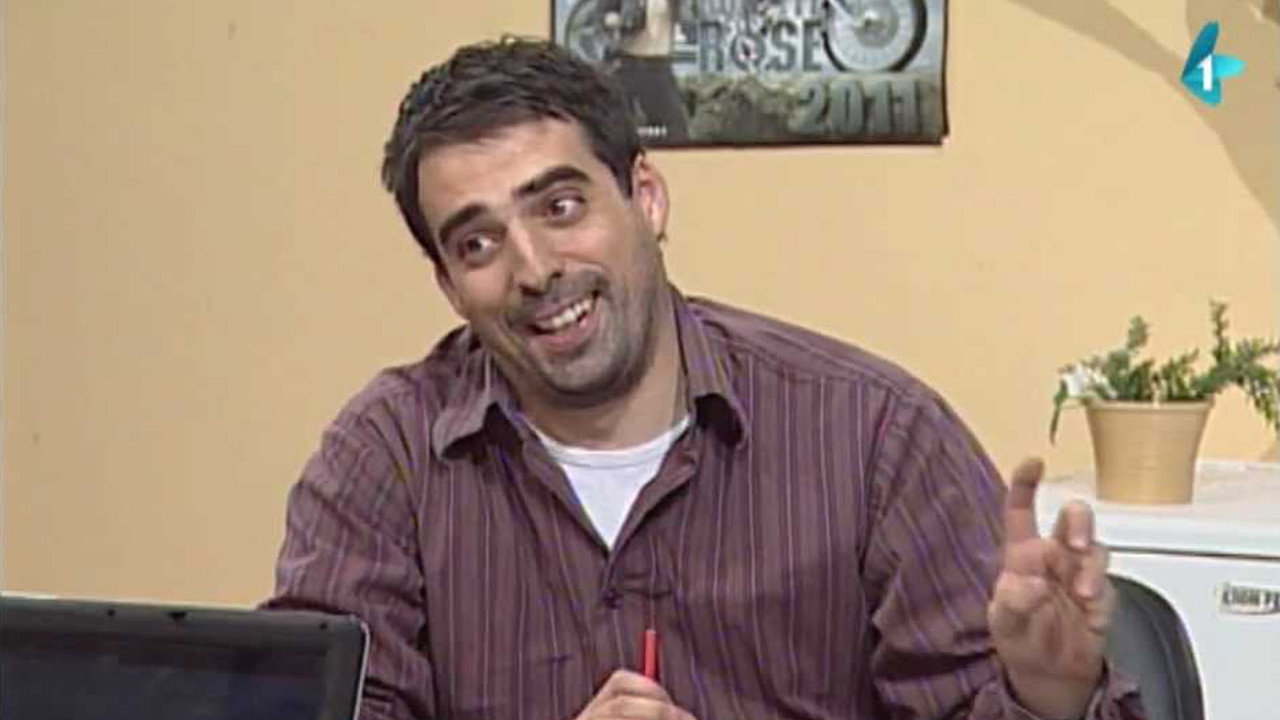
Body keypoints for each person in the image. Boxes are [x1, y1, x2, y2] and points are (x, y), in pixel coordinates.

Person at [265, 37, 1146, 720]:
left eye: (560, 206)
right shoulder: (385, 458)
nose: (534, 269)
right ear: (449, 284)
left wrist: (1049, 697)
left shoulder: (875, 436)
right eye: (478, 242)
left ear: (645, 198)